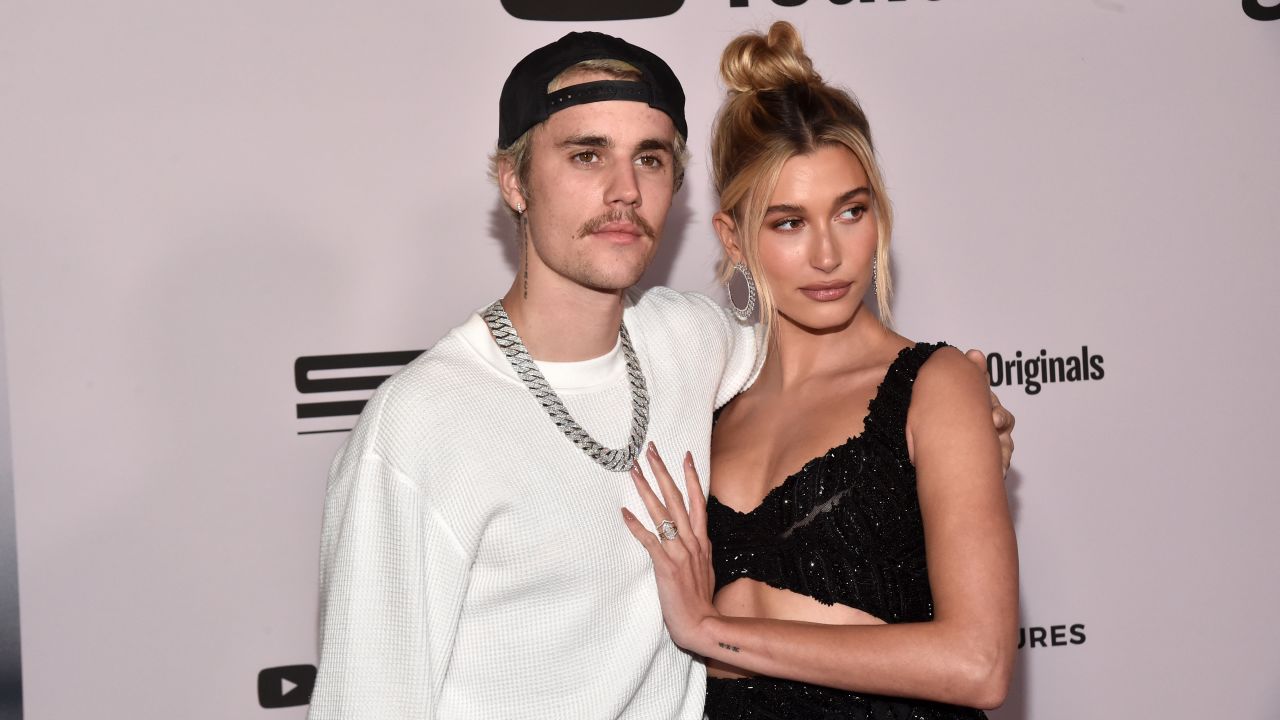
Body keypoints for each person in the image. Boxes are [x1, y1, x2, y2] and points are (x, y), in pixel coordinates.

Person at [309, 30, 1013, 720]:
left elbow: (836, 373)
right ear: (514, 180)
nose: (623, 191)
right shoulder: (420, 425)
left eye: (648, 159)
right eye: (587, 155)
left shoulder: (692, 344)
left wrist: (960, 432)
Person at [621, 22, 1018, 720]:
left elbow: (979, 664)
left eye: (851, 212)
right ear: (732, 239)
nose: (830, 255)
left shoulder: (936, 385)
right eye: (788, 223)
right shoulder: (705, 404)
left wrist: (715, 633)